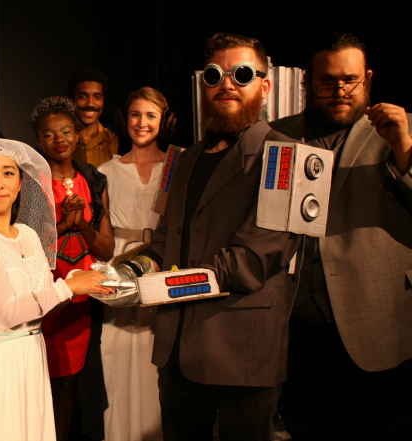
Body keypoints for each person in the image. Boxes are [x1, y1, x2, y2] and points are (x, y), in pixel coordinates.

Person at [134, 33, 301, 441]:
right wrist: (127, 272)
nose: (226, 83)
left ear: (264, 85)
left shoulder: (288, 156)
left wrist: (159, 285)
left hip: (241, 355)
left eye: (241, 73)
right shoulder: (182, 159)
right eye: (214, 75)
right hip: (176, 352)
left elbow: (251, 261)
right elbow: (162, 239)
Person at [270, 33, 412, 441]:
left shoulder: (398, 131)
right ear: (307, 82)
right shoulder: (276, 135)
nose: (339, 90)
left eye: (350, 80)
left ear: (367, 79)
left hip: (377, 319)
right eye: (327, 81)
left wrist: (404, 147)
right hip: (298, 326)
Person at [0, 135, 112, 441]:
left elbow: (46, 301)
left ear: (20, 184)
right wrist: (70, 285)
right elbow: (9, 311)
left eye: (8, 172)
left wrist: (92, 283)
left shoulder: (29, 235)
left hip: (31, 355)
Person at [31, 96, 114, 440]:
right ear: (38, 142)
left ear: (78, 135)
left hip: (79, 306)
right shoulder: (29, 184)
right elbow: (21, 249)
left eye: (66, 131)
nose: (59, 139)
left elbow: (107, 249)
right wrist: (63, 224)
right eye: (49, 135)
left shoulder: (93, 180)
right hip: (40, 301)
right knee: (38, 387)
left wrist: (80, 224)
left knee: (68, 387)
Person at [97, 86, 177, 440]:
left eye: (150, 116)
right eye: (135, 115)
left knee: (154, 355)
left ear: (163, 120)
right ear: (124, 119)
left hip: (161, 264)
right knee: (117, 354)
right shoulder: (104, 171)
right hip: (119, 268)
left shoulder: (178, 164)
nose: (141, 123)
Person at [68, 68, 119, 167]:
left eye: (97, 97)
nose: (90, 103)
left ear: (103, 101)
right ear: (72, 100)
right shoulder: (57, 139)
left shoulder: (116, 140)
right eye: (83, 96)